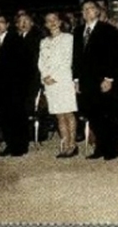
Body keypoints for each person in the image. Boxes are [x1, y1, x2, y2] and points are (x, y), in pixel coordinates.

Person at [73, 1, 118, 161]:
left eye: (91, 8)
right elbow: (76, 57)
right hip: (86, 80)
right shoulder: (78, 31)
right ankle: (100, 147)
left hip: (103, 79)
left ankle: (112, 149)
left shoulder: (109, 30)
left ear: (98, 11)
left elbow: (114, 56)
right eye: (84, 9)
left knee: (107, 115)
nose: (87, 12)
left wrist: (109, 78)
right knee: (93, 115)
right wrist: (76, 79)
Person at [38, 12, 78, 158]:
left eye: (55, 19)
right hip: (49, 83)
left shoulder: (68, 38)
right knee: (59, 115)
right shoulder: (44, 42)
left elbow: (67, 59)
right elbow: (41, 62)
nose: (52, 22)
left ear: (60, 22)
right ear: (45, 25)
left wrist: (53, 76)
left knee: (68, 113)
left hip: (64, 80)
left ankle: (73, 144)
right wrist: (45, 77)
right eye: (48, 21)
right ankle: (65, 144)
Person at [0, 15, 28, 157]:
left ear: (7, 24)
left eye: (1, 22)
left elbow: (24, 64)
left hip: (14, 86)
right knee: (4, 117)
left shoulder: (16, 40)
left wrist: (20, 85)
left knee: (17, 116)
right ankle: (10, 144)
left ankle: (20, 146)